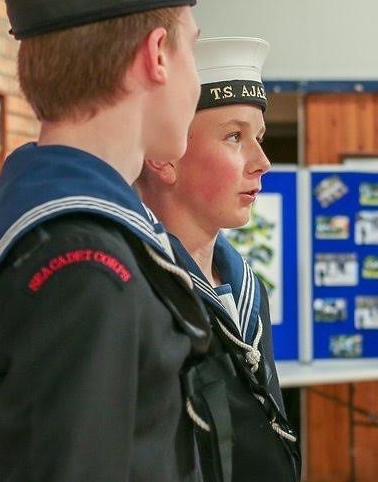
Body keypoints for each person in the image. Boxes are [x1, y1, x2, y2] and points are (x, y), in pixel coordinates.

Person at [0, 0, 213, 482]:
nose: (198, 81)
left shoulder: (78, 234)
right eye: (194, 52)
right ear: (157, 54)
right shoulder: (85, 265)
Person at [136, 37, 300, 482]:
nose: (262, 161)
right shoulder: (137, 294)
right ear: (163, 156)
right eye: (235, 136)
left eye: (259, 139)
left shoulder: (245, 286)